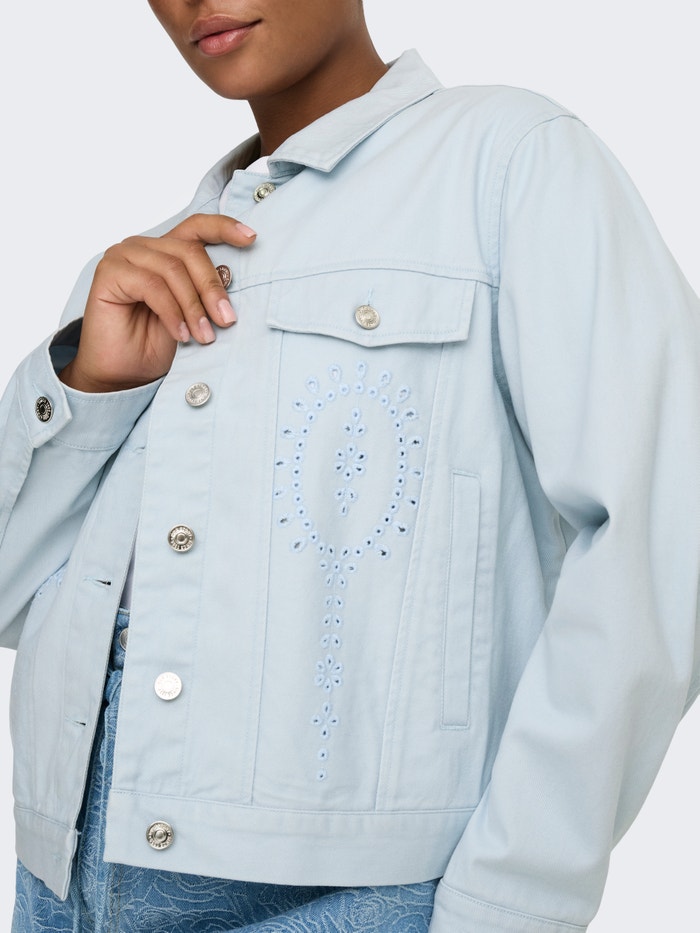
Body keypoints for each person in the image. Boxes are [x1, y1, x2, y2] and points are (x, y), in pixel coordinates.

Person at [2, 0, 699, 930]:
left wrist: (511, 901)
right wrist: (89, 382)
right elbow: (17, 595)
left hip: (353, 896)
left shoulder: (509, 161)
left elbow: (662, 533)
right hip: (62, 884)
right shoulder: (148, 263)